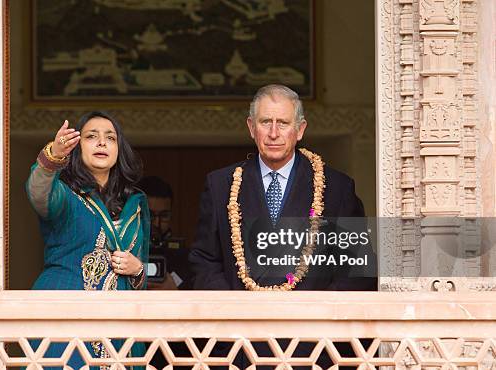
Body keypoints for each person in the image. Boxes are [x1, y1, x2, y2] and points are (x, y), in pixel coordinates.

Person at [188, 84, 375, 368]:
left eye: (283, 123)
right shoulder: (221, 185)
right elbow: (204, 261)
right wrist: (236, 308)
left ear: (299, 130)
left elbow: (357, 268)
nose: (274, 133)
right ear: (252, 127)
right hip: (239, 347)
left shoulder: (336, 187)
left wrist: (315, 314)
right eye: (265, 122)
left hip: (313, 348)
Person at [26, 111, 150, 369]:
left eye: (110, 138)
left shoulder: (134, 205)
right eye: (91, 136)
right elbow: (38, 192)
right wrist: (53, 156)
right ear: (76, 146)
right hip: (62, 315)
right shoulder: (64, 194)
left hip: (118, 326)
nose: (102, 142)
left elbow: (142, 269)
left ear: (119, 150)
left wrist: (137, 268)